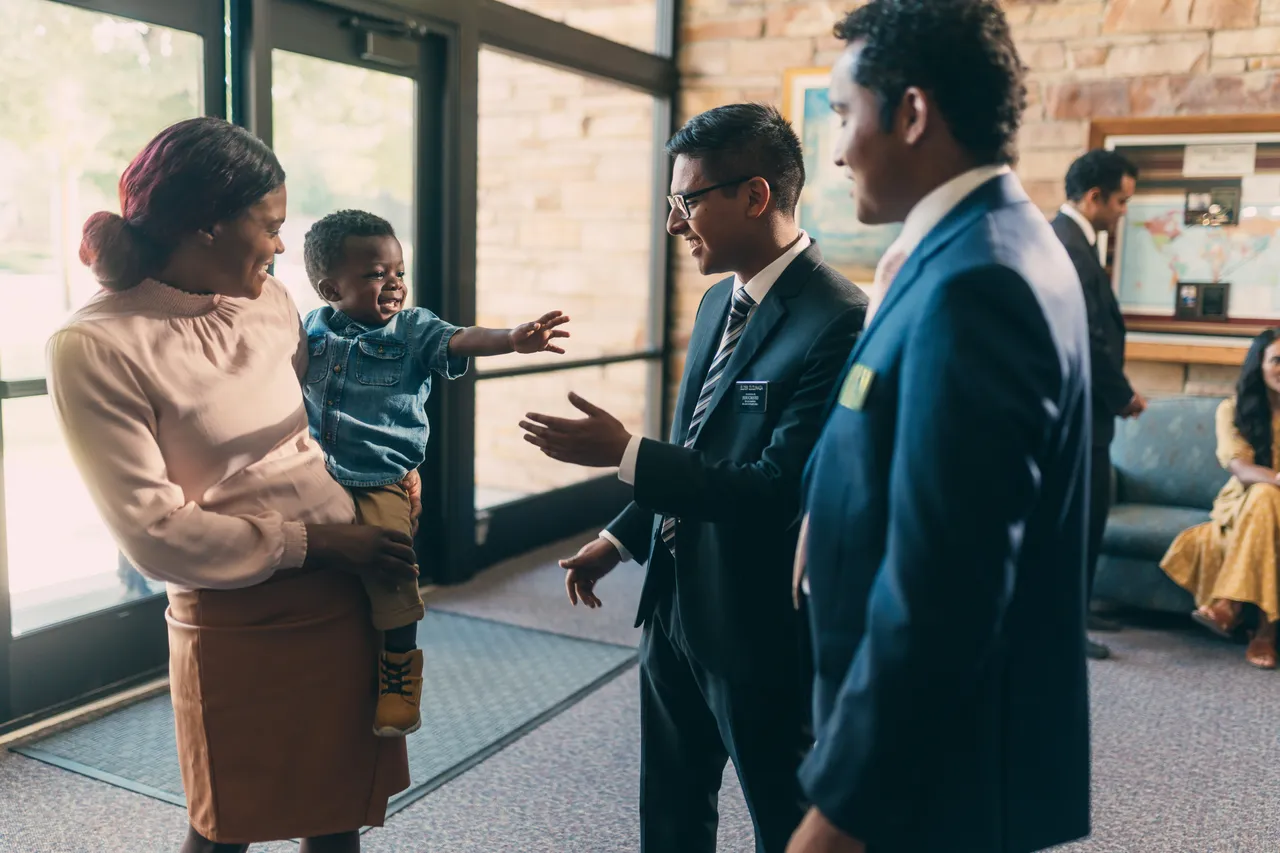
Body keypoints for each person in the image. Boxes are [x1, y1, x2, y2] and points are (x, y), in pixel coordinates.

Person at [48, 117, 414, 853]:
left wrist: (387, 469)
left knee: (338, 809)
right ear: (206, 224)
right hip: (237, 612)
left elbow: (310, 422)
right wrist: (319, 541)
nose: (283, 245)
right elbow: (154, 534)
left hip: (347, 590)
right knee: (225, 822)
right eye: (271, 225)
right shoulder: (96, 345)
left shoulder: (271, 302)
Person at [518, 103, 866, 853]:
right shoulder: (717, 301)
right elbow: (699, 443)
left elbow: (777, 487)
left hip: (758, 624)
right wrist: (622, 533)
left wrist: (626, 454)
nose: (675, 222)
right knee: (671, 817)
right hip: (672, 608)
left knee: (789, 823)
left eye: (687, 200)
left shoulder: (839, 319)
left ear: (755, 195)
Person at [788, 2, 1091, 852]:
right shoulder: (984, 242)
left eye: (845, 115)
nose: (839, 148)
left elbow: (943, 591)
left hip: (931, 784)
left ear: (913, 113)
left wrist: (838, 813)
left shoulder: (978, 284)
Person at [300, 209, 570, 735]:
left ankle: (400, 677)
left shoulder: (413, 329)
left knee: (393, 570)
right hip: (314, 474)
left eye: (398, 271)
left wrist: (512, 339)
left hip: (379, 478)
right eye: (377, 274)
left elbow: (461, 338)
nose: (394, 283)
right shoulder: (312, 327)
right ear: (331, 287)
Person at [1053, 149, 1146, 661]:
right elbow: (1088, 336)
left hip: (1086, 409)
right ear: (1094, 199)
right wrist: (1122, 394)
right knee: (1078, 522)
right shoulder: (1068, 246)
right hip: (1081, 410)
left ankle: (1081, 607)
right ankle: (1068, 625)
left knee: (1087, 518)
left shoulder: (1069, 240)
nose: (1123, 212)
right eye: (1122, 202)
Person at [1161, 329, 1280, 670]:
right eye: (1277, 360)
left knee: (1265, 497)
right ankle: (1265, 634)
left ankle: (1229, 603)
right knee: (1263, 495)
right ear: (1259, 364)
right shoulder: (1233, 410)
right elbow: (1241, 468)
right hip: (1243, 505)